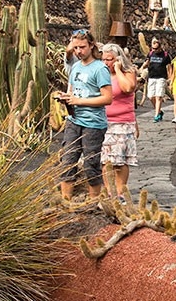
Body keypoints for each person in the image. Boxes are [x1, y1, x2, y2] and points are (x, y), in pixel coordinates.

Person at [55, 29, 113, 201]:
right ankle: (66, 202)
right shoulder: (75, 67)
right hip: (74, 120)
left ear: (91, 45)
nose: (79, 51)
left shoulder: (100, 69)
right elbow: (72, 92)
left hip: (93, 123)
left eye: (82, 47)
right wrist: (66, 98)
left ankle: (94, 202)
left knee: (90, 164)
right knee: (68, 162)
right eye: (76, 48)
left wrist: (78, 101)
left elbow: (107, 98)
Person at [100, 43, 138, 200]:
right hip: (103, 122)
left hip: (122, 123)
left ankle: (120, 193)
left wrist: (117, 69)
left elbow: (128, 87)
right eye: (103, 59)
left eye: (109, 59)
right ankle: (109, 192)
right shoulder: (101, 74)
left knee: (119, 161)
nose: (106, 63)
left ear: (118, 59)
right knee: (106, 160)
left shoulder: (128, 73)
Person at [141, 37, 172, 122]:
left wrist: (170, 78)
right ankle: (159, 111)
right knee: (150, 96)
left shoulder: (165, 55)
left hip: (161, 77)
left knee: (159, 96)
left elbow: (169, 67)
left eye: (156, 48)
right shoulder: (150, 54)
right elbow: (146, 63)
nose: (154, 50)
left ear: (160, 47)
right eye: (153, 48)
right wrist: (144, 65)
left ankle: (156, 115)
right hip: (151, 76)